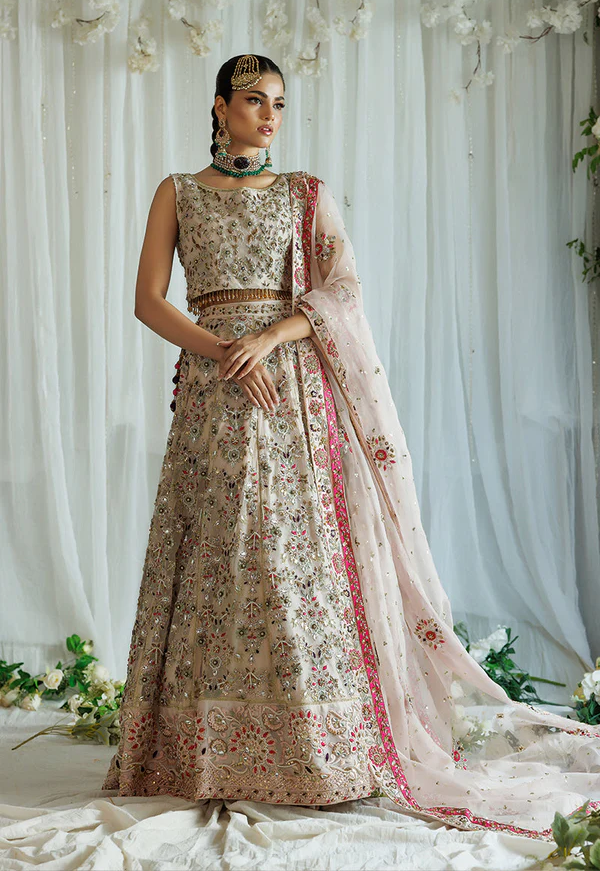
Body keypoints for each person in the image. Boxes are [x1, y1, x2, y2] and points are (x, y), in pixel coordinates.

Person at [102, 53, 600, 839]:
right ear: (220, 107)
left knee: (292, 556)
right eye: (253, 101)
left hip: (292, 392)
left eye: (278, 103)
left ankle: (319, 747)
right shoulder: (178, 192)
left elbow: (342, 290)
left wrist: (268, 339)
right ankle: (200, 749)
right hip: (213, 391)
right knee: (215, 550)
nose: (268, 116)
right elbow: (147, 300)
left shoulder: (307, 194)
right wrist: (222, 351)